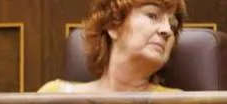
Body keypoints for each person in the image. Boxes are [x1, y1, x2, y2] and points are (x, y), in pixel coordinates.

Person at [39, 0, 187, 93]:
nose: (167, 30)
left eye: (172, 25)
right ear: (113, 25)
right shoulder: (54, 95)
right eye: (152, 16)